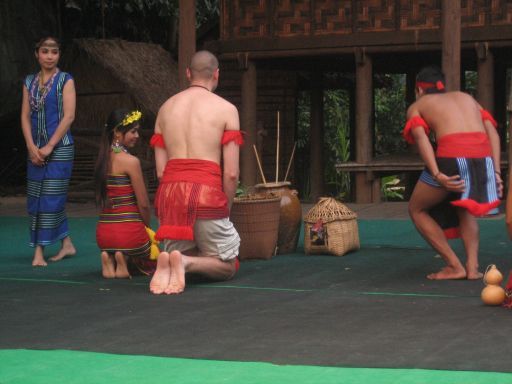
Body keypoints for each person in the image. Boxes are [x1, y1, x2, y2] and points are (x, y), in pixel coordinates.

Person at [149, 50, 243, 295]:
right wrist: (226, 209)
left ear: (188, 73)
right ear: (217, 75)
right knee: (228, 264)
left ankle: (176, 259)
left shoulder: (165, 109)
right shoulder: (227, 109)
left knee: (183, 249)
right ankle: (186, 263)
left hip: (171, 196)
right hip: (206, 195)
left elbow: (161, 172)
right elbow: (231, 172)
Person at [404, 66, 502, 280]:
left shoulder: (419, 104)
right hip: (482, 157)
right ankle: (473, 268)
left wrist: (438, 174)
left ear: (419, 90)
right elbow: (492, 132)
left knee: (417, 209)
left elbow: (421, 140)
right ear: (443, 87)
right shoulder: (468, 98)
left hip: (452, 158)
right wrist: (494, 171)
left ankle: (454, 265)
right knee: (463, 206)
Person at [20, 36, 76, 266]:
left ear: (59, 55)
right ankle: (67, 244)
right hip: (34, 149)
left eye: (54, 52)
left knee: (50, 199)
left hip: (60, 148)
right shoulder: (29, 82)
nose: (50, 56)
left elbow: (69, 116)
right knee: (36, 199)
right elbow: (24, 115)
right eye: (45, 51)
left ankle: (39, 253)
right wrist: (31, 147)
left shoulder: (66, 80)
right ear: (37, 54)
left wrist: (49, 146)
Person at [94, 109, 156, 278]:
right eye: (133, 131)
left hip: (104, 237)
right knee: (154, 259)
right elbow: (143, 204)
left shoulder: (101, 160)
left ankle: (111, 258)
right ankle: (124, 260)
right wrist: (147, 229)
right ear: (117, 133)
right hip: (129, 235)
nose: (137, 135)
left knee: (119, 242)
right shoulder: (131, 162)